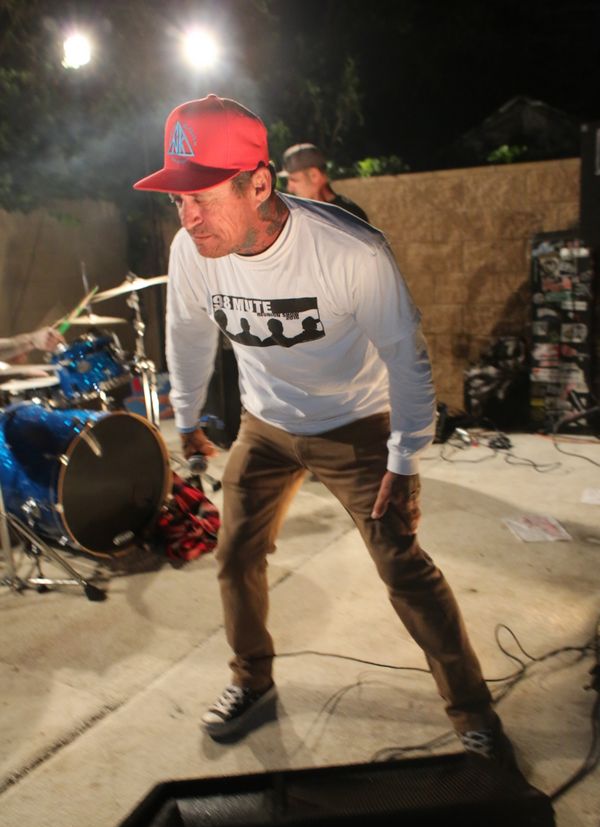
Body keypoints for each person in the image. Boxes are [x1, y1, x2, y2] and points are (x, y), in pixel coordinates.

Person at [134, 94, 514, 765]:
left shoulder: (350, 250)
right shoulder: (193, 251)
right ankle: (251, 681)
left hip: (357, 425)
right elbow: (187, 331)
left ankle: (472, 711)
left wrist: (404, 457)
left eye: (204, 198)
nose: (189, 218)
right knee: (234, 555)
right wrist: (186, 417)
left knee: (402, 566)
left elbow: (406, 356)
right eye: (178, 199)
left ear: (259, 185)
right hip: (267, 424)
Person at [279, 142, 369, 222]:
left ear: (314, 175)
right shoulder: (300, 215)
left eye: (294, 180)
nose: (289, 189)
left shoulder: (349, 217)